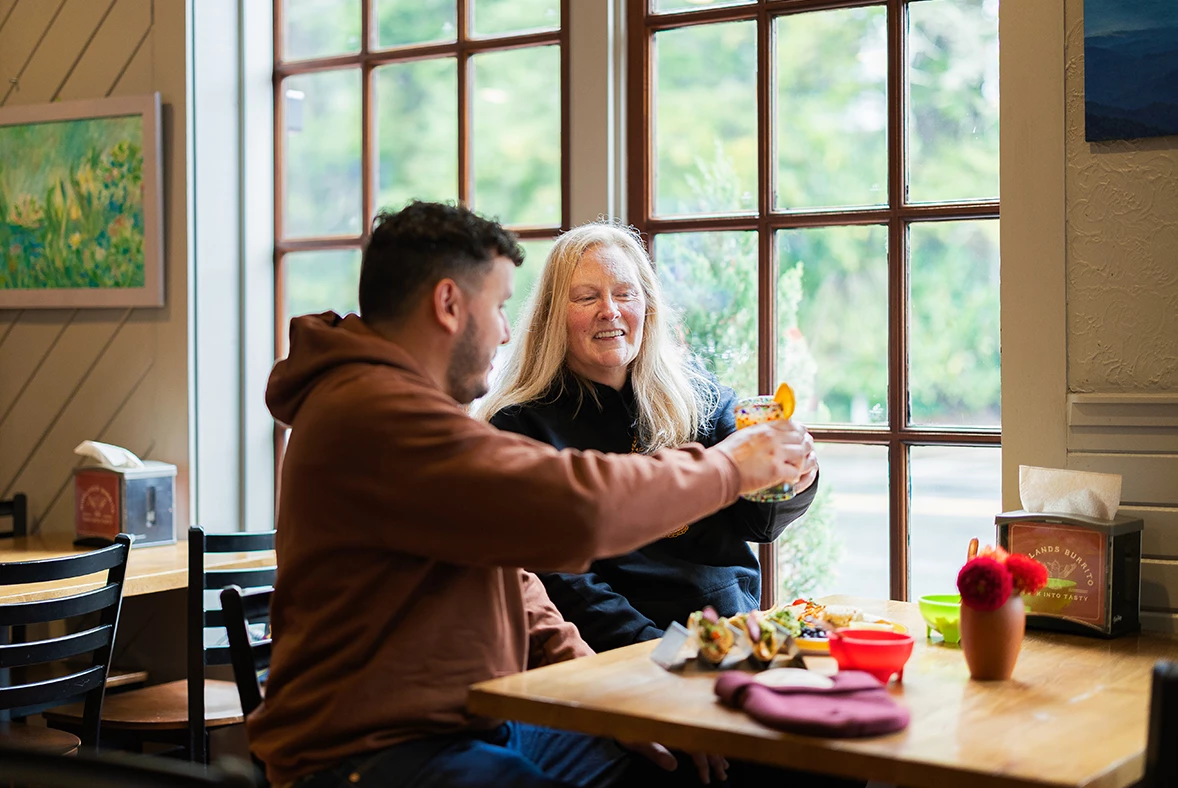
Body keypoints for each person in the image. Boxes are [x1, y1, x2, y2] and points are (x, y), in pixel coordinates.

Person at [248, 201, 815, 788]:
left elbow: (515, 583)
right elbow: (580, 510)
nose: (504, 329)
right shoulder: (377, 415)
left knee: (672, 765)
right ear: (448, 305)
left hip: (473, 725)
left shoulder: (402, 403)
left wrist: (607, 698)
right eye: (496, 306)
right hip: (374, 753)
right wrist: (727, 467)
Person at [477, 222, 819, 654]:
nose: (610, 310)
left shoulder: (702, 397)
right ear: (551, 316)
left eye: (625, 294)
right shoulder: (519, 427)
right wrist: (662, 651)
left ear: (649, 306)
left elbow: (759, 523)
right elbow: (561, 585)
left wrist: (792, 476)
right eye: (587, 297)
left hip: (735, 636)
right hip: (626, 651)